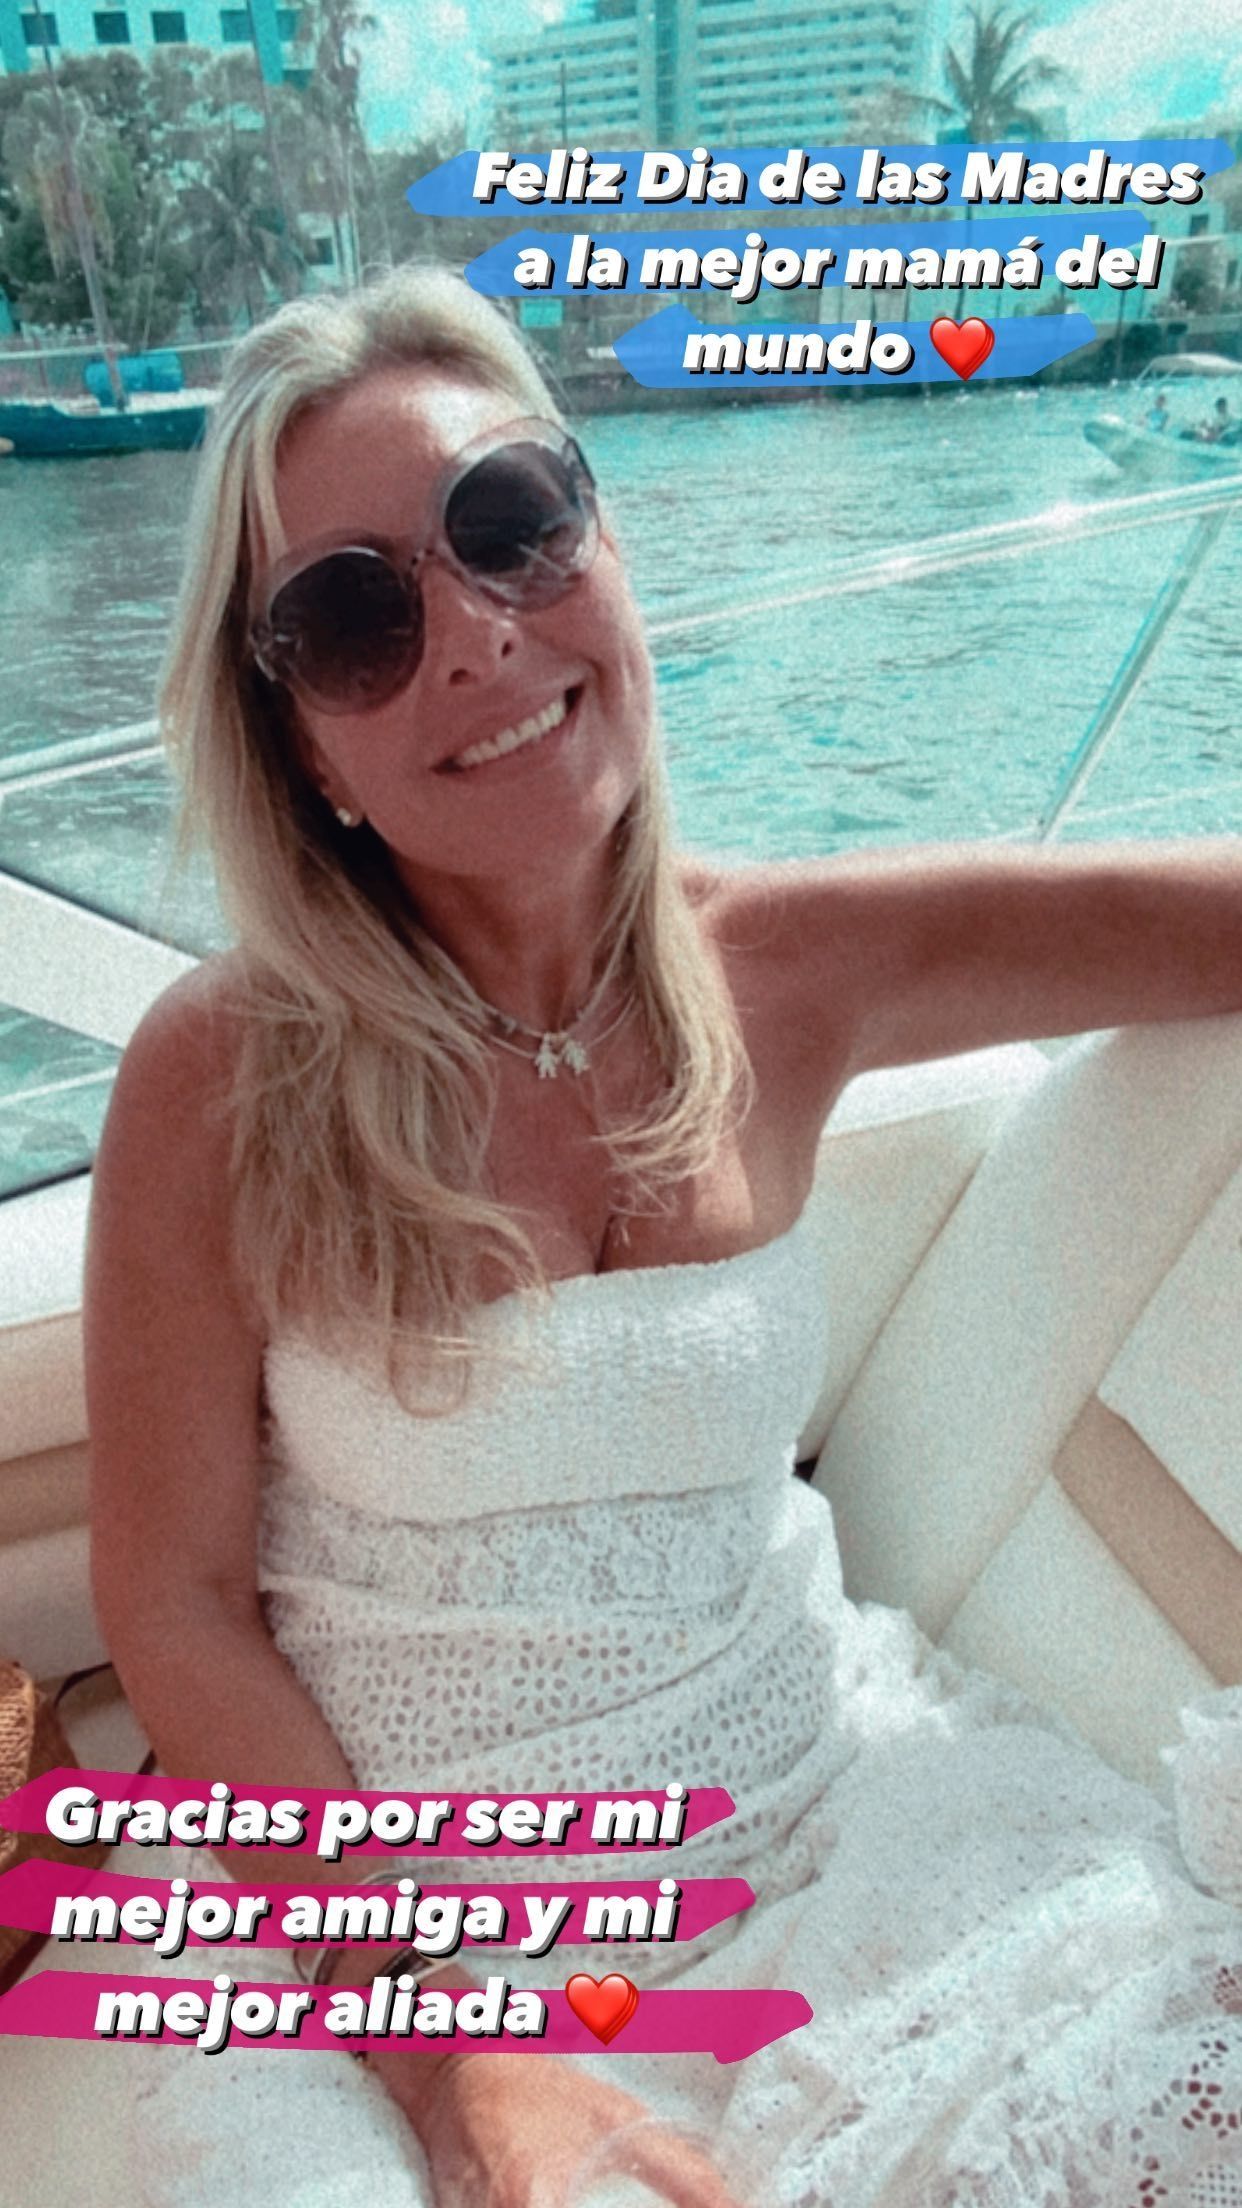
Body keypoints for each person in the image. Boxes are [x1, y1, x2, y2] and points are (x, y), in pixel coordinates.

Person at [85, 265, 1242, 2208]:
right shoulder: (222, 1076)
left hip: (830, 1820)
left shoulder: (798, 967)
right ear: (294, 744)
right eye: (353, 616)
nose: (474, 630)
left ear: (604, 541)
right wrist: (451, 2049)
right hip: (384, 1914)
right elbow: (177, 1603)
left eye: (511, 519)